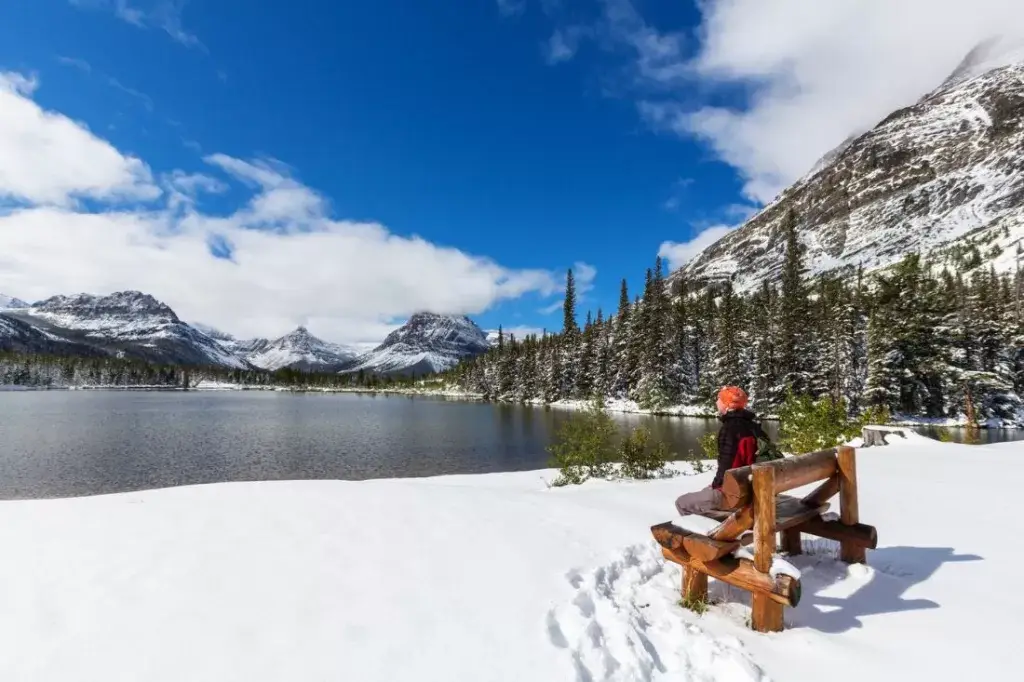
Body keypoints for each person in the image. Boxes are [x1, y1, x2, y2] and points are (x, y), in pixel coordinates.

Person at [674, 385, 772, 516]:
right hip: (752, 489)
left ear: (727, 404)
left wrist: (716, 485)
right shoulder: (754, 427)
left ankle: (715, 532)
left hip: (736, 494)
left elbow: (727, 466)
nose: (716, 402)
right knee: (705, 492)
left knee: (682, 503)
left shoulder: (730, 428)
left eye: (719, 399)